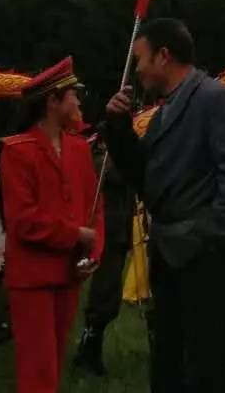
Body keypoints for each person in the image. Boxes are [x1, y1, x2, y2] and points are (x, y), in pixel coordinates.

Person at [105, 18, 225, 393]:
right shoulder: (163, 113)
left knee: (204, 366)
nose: (137, 69)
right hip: (169, 252)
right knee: (169, 361)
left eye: (140, 58)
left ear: (164, 56)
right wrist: (118, 129)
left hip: (204, 256)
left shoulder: (215, 98)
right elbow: (145, 177)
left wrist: (210, 240)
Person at [0, 57, 103, 393]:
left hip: (69, 274)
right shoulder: (17, 151)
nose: (78, 101)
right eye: (73, 94)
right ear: (53, 101)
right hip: (32, 278)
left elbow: (94, 207)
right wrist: (76, 235)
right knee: (38, 372)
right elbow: (23, 221)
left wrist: (94, 252)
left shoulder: (78, 149)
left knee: (54, 365)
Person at [74, 136, 136, 378]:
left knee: (110, 293)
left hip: (119, 229)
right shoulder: (102, 150)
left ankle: (90, 347)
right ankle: (88, 350)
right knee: (105, 293)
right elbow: (104, 174)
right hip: (107, 230)